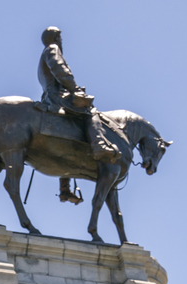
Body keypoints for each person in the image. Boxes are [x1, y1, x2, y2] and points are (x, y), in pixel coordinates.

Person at [36, 25, 122, 204]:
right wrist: (75, 89)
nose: (61, 41)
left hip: (51, 96)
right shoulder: (52, 49)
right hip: (58, 96)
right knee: (90, 111)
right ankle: (99, 144)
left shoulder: (45, 52)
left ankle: (65, 189)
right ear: (56, 38)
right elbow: (60, 69)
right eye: (60, 37)